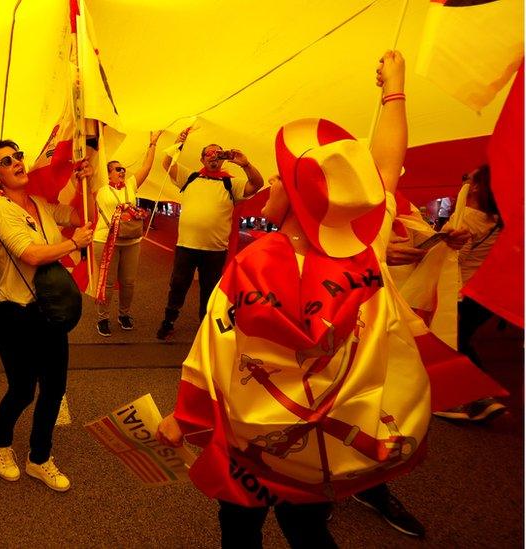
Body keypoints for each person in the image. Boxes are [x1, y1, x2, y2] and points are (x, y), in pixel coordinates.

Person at [157, 51, 429, 547]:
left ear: (299, 194)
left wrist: (186, 416)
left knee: (240, 530)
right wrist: (395, 91)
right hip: (325, 447)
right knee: (307, 532)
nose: (273, 184)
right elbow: (387, 173)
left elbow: (214, 349)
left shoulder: (253, 264)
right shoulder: (364, 249)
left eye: (282, 177)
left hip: (253, 445)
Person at [0, 139, 94, 492]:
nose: (17, 163)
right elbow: (30, 253)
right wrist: (75, 243)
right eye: (6, 161)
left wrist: (88, 182)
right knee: (22, 390)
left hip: (49, 312)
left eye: (18, 157)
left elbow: (79, 216)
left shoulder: (41, 204)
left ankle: (39, 459)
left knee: (54, 388)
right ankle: (0, 445)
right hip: (16, 315)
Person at [156, 128, 264, 340]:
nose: (214, 157)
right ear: (202, 158)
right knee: (178, 285)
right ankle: (168, 321)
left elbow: (257, 185)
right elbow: (167, 164)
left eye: (218, 154)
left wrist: (245, 164)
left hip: (215, 250)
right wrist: (178, 142)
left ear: (224, 159)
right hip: (186, 246)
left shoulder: (229, 183)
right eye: (209, 154)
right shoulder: (191, 176)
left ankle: (205, 328)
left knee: (209, 290)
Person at [434, 165, 508, 422]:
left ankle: (474, 397)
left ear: (475, 186)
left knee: (454, 346)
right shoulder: (496, 219)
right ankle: (479, 396)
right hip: (482, 295)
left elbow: (453, 260)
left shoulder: (465, 218)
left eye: (467, 177)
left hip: (460, 292)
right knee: (463, 344)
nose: (463, 181)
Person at [92, 132, 161, 336]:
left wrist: (153, 144)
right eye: (117, 169)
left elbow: (147, 167)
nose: (122, 171)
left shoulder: (131, 185)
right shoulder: (100, 188)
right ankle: (103, 318)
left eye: (123, 168)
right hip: (105, 241)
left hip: (132, 240)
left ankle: (124, 314)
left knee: (128, 282)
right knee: (108, 281)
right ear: (108, 173)